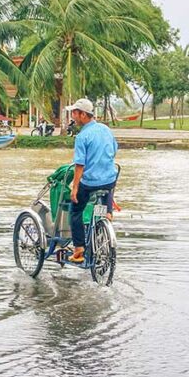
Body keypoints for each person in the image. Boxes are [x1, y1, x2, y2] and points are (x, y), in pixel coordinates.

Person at [65, 98, 118, 264]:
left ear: (83, 115)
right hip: (109, 180)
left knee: (75, 210)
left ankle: (79, 248)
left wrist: (74, 188)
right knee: (105, 193)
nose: (72, 116)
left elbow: (79, 165)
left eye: (74, 113)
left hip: (90, 183)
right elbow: (114, 150)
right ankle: (107, 214)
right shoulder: (105, 129)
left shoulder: (82, 136)